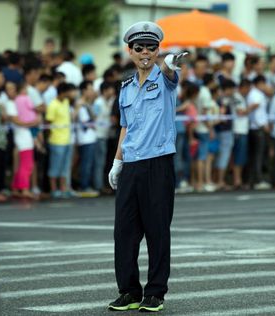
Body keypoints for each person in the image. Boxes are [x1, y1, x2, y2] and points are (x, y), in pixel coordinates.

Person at [107, 21, 183, 313]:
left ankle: (155, 293)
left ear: (158, 50)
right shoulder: (125, 87)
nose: (145, 53)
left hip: (157, 164)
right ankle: (128, 291)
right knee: (124, 232)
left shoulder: (164, 79)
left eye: (152, 48)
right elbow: (125, 128)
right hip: (131, 165)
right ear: (130, 51)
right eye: (139, 48)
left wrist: (169, 63)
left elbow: (169, 72)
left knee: (157, 230)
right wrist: (117, 162)